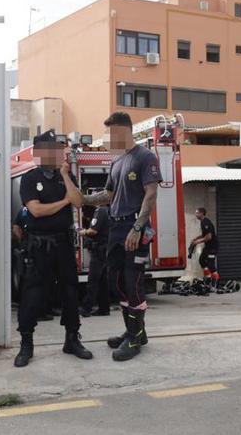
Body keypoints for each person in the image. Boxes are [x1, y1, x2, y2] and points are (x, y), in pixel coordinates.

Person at [64, 112, 162, 361]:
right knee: (116, 284)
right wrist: (85, 199)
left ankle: (134, 339)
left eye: (111, 133)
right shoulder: (117, 162)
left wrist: (138, 228)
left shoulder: (145, 157)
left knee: (133, 284)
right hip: (116, 230)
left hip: (133, 228)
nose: (108, 138)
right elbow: (108, 195)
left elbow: (150, 196)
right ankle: (135, 332)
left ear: (123, 131)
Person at [14, 131, 93, 368]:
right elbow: (36, 211)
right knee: (33, 295)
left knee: (70, 292)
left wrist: (66, 176)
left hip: (63, 245)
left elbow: (79, 202)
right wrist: (63, 202)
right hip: (39, 246)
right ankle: (26, 344)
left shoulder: (64, 176)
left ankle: (72, 340)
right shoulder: (30, 178)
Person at [79, 204, 111, 317]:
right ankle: (104, 308)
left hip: (98, 251)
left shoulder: (100, 211)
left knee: (93, 281)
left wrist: (83, 232)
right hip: (104, 249)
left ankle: (86, 308)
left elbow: (93, 231)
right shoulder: (108, 210)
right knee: (103, 281)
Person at [191, 208, 220, 284]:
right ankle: (208, 277)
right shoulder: (203, 222)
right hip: (208, 247)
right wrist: (197, 237)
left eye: (197, 213)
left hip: (212, 247)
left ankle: (215, 282)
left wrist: (197, 242)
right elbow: (205, 234)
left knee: (211, 265)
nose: (196, 214)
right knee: (202, 260)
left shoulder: (206, 222)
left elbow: (209, 237)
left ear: (202, 213)